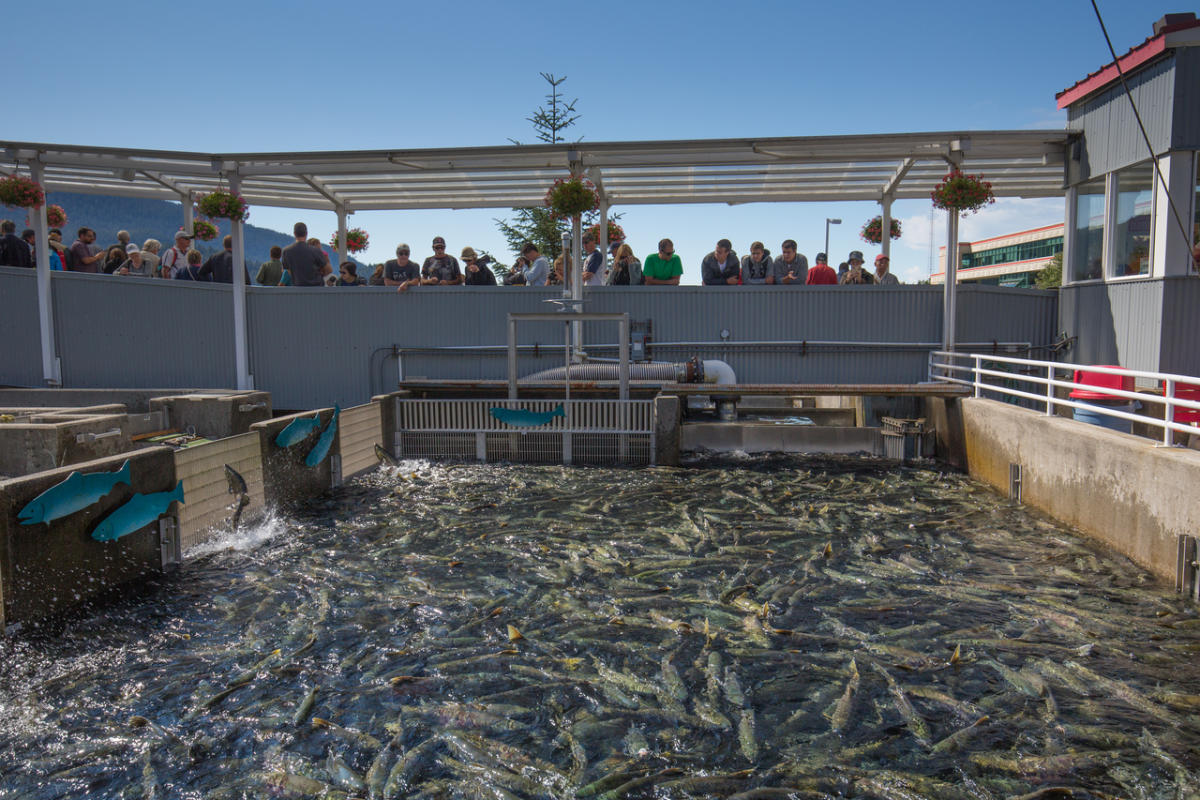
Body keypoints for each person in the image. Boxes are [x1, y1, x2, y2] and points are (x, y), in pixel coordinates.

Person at [281, 222, 329, 287]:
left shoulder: (286, 251)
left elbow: (288, 271)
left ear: (294, 234)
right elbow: (329, 269)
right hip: (317, 288)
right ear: (306, 233)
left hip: (298, 288)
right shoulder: (315, 250)